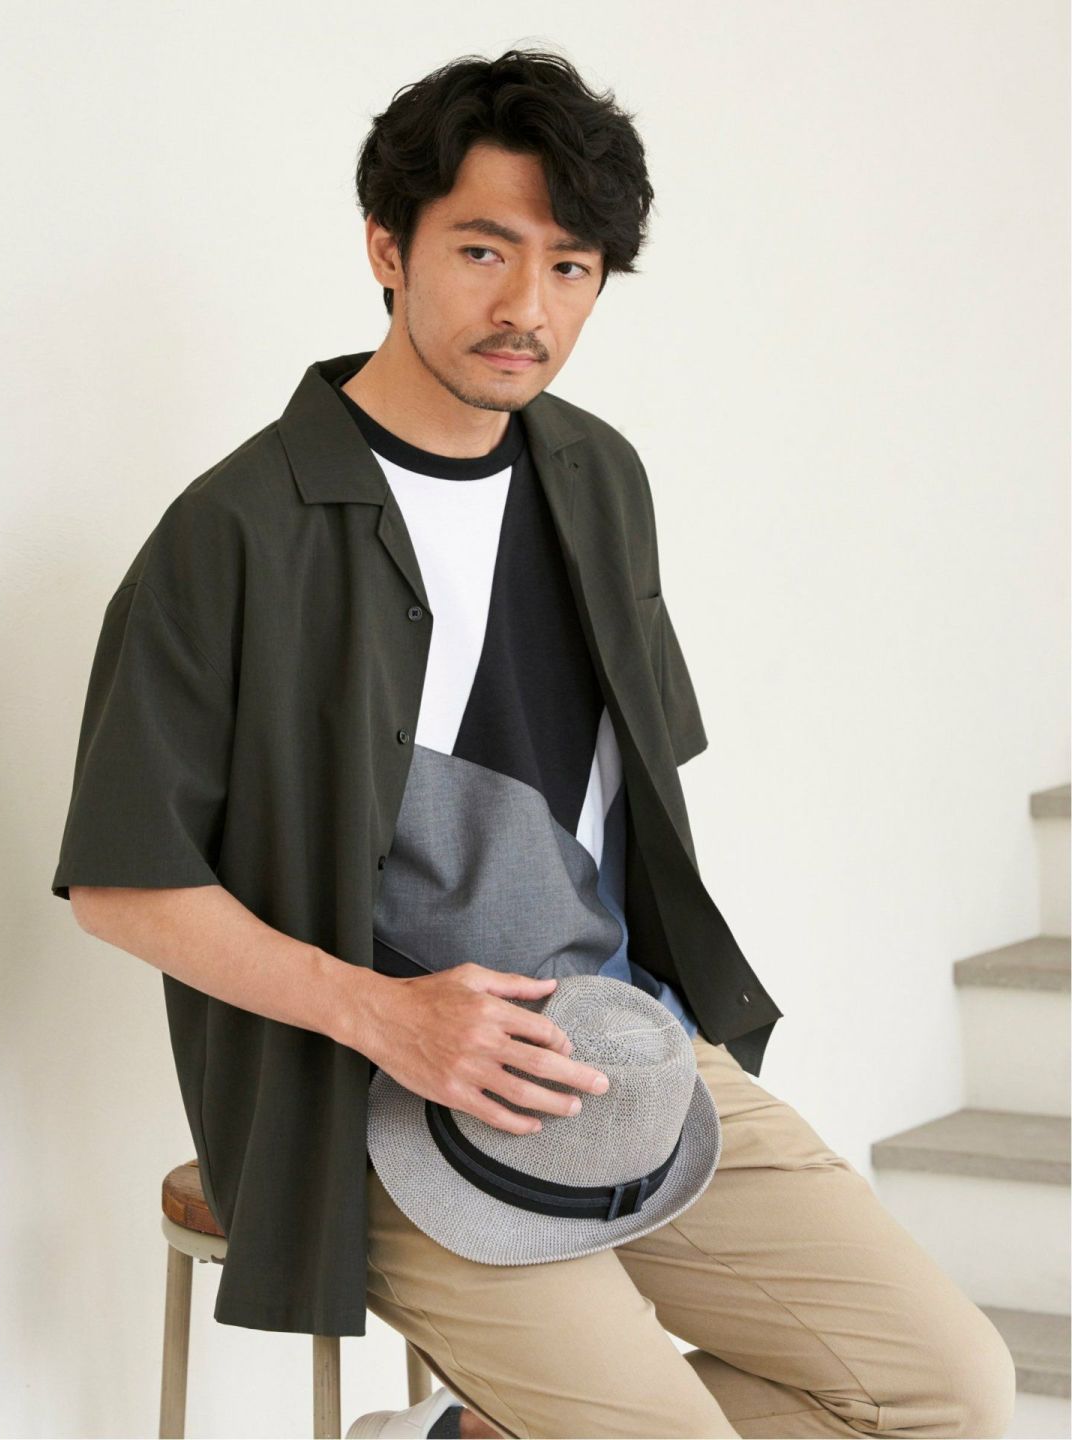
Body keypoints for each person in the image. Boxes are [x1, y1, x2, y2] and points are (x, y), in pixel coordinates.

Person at [52, 46, 1016, 1440]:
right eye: (484, 250)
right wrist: (387, 1014)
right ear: (387, 248)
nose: (528, 307)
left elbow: (639, 792)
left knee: (953, 1391)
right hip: (367, 1092)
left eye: (571, 267)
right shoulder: (237, 531)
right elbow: (120, 883)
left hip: (617, 1046)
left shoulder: (596, 475)